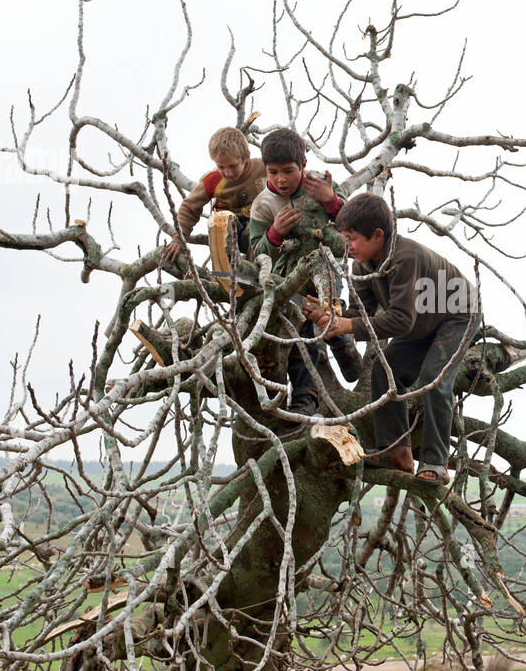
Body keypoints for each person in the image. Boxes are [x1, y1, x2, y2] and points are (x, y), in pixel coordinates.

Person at [308, 191, 480, 486]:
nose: (347, 247)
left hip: (457, 314)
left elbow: (400, 320)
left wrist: (347, 325)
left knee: (433, 379)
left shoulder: (405, 258)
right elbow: (361, 312)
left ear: (377, 235)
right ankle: (396, 452)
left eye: (352, 239)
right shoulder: (361, 266)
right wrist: (327, 315)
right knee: (382, 370)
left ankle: (435, 462)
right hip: (421, 323)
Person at [245, 128, 357, 415]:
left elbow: (351, 224)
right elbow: (256, 253)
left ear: (304, 165)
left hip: (325, 267)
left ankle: (342, 342)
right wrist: (275, 233)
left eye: (288, 171)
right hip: (288, 278)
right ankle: (305, 396)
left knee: (328, 309)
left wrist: (330, 198)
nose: (280, 179)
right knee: (299, 330)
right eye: (273, 172)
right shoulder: (263, 204)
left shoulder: (320, 185)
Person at [162, 126, 266, 263]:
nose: (227, 173)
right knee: (225, 226)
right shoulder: (213, 180)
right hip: (232, 228)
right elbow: (190, 207)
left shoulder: (265, 167)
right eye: (221, 167)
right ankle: (227, 271)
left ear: (246, 157)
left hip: (263, 220)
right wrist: (179, 239)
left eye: (233, 166)